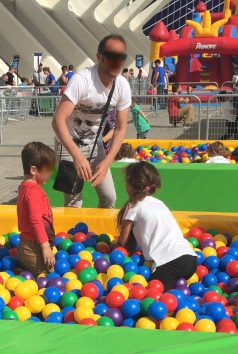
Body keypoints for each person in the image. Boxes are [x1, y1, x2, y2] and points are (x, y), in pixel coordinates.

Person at [52, 34, 131, 208]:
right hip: (69, 143)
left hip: (96, 145)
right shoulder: (82, 80)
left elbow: (120, 129)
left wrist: (107, 162)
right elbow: (58, 120)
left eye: (121, 57)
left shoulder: (122, 85)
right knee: (74, 200)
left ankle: (100, 235)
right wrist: (76, 155)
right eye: (111, 56)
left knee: (109, 197)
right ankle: (72, 235)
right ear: (99, 56)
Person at [117, 162, 197, 291]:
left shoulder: (132, 206)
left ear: (130, 184)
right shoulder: (159, 203)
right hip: (190, 259)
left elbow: (123, 241)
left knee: (151, 297)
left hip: (169, 262)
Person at [17, 142, 56, 276]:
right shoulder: (34, 191)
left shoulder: (24, 187)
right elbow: (35, 220)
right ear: (34, 170)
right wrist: (45, 247)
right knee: (47, 276)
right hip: (34, 248)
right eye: (48, 170)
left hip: (26, 245)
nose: (50, 174)